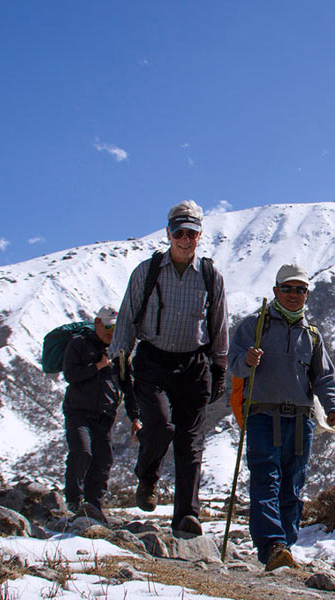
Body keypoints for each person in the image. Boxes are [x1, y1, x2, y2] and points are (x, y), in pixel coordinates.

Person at [110, 200, 228, 536]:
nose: (185, 238)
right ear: (168, 233)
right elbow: (128, 317)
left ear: (200, 234)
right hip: (152, 360)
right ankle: (147, 478)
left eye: (191, 232)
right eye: (179, 232)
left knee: (190, 442)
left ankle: (186, 516)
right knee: (160, 426)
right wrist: (121, 359)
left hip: (193, 365)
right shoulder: (147, 272)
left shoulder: (209, 275)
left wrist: (219, 365)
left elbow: (220, 324)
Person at [227, 263, 335, 571]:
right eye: (288, 289)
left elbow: (324, 377)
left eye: (300, 289)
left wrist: (333, 408)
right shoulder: (254, 325)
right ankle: (272, 546)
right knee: (267, 479)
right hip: (263, 416)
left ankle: (285, 548)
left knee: (293, 485)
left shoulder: (312, 335)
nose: (294, 295)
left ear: (307, 294)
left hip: (300, 420)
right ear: (276, 291)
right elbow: (233, 363)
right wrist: (246, 359)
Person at [62, 306, 140, 522]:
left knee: (103, 460)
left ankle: (93, 506)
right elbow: (70, 374)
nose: (110, 332)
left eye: (115, 328)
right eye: (107, 326)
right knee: (82, 452)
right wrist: (97, 366)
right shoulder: (79, 344)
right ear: (97, 323)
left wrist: (135, 417)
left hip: (106, 415)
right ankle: (72, 501)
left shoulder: (119, 352)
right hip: (78, 412)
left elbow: (128, 386)